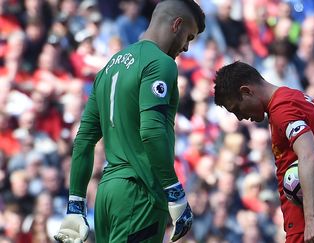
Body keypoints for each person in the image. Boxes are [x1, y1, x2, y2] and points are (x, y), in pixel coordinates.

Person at [54, 0, 205, 242]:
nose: (186, 48)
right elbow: (152, 130)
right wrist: (174, 192)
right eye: (189, 37)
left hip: (107, 194)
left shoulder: (109, 67)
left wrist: (76, 204)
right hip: (140, 192)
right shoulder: (161, 63)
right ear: (177, 24)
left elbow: (83, 140)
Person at [213, 61, 314, 243]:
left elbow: (310, 155)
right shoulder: (299, 98)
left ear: (246, 91)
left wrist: (311, 218)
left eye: (237, 109)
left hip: (310, 223)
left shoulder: (282, 109)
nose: (240, 117)